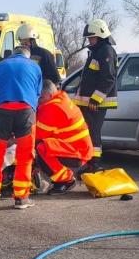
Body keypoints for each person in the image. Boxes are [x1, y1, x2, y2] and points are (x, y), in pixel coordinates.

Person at [0, 45, 41, 209]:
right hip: (25, 111)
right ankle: (21, 197)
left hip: (1, 110)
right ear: (27, 56)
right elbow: (37, 93)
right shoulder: (35, 67)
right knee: (25, 155)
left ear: (12, 55)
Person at [72, 19, 117, 169]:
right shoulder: (96, 52)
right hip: (88, 102)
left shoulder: (106, 51)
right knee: (88, 131)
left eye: (92, 38)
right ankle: (89, 161)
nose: (89, 41)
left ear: (100, 36)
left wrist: (96, 100)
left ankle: (95, 164)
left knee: (93, 132)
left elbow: (108, 78)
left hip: (95, 103)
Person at [35, 79, 94, 195]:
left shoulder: (52, 108)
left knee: (41, 147)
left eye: (40, 98)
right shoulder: (61, 98)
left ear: (49, 95)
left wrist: (12, 139)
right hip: (79, 149)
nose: (38, 101)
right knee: (43, 145)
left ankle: (66, 180)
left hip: (77, 153)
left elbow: (36, 135)